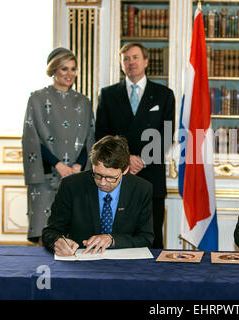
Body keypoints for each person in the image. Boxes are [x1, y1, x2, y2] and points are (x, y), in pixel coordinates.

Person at [95, 42, 175, 249]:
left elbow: (166, 134)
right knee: (116, 233)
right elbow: (101, 134)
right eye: (126, 59)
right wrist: (125, 159)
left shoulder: (164, 94)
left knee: (153, 233)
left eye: (135, 57)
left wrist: (143, 160)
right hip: (116, 174)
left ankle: (156, 279)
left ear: (146, 61)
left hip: (151, 173)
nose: (131, 62)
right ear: (121, 64)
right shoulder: (108, 94)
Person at [22, 47, 95, 244]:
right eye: (64, 69)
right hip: (47, 177)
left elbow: (90, 139)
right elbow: (32, 139)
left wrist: (78, 166)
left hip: (76, 177)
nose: (69, 74)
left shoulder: (84, 102)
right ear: (53, 70)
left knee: (75, 236)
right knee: (45, 235)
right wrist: (58, 165)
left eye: (73, 69)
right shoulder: (37, 99)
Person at [42, 135, 154, 256]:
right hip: (81, 263)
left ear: (125, 170)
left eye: (111, 177)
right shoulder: (71, 186)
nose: (103, 183)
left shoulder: (141, 189)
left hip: (124, 265)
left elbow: (146, 238)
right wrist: (57, 242)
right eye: (98, 175)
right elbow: (50, 232)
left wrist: (112, 240)